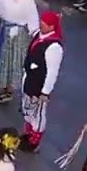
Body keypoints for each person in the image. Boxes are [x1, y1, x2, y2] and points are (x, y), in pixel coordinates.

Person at [19, 10, 64, 152]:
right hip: (29, 79)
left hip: (38, 85)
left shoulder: (54, 47)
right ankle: (27, 134)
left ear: (52, 27)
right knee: (28, 108)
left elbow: (52, 71)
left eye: (44, 24)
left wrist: (45, 92)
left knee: (38, 113)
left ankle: (35, 141)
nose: (41, 25)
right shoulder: (40, 35)